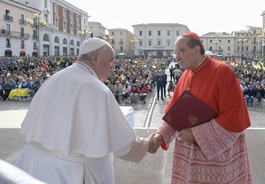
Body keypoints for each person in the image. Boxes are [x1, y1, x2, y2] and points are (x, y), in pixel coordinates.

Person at [15, 38, 155, 184]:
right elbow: (124, 145)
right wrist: (148, 144)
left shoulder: (55, 78)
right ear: (95, 58)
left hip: (32, 165)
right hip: (69, 173)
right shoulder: (97, 89)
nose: (112, 67)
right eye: (111, 60)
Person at [149, 32, 252, 183]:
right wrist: (160, 136)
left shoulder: (222, 71)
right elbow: (174, 114)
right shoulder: (185, 75)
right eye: (175, 53)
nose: (176, 57)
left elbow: (233, 117)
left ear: (196, 50)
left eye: (180, 52)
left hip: (216, 161)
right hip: (188, 158)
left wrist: (196, 134)